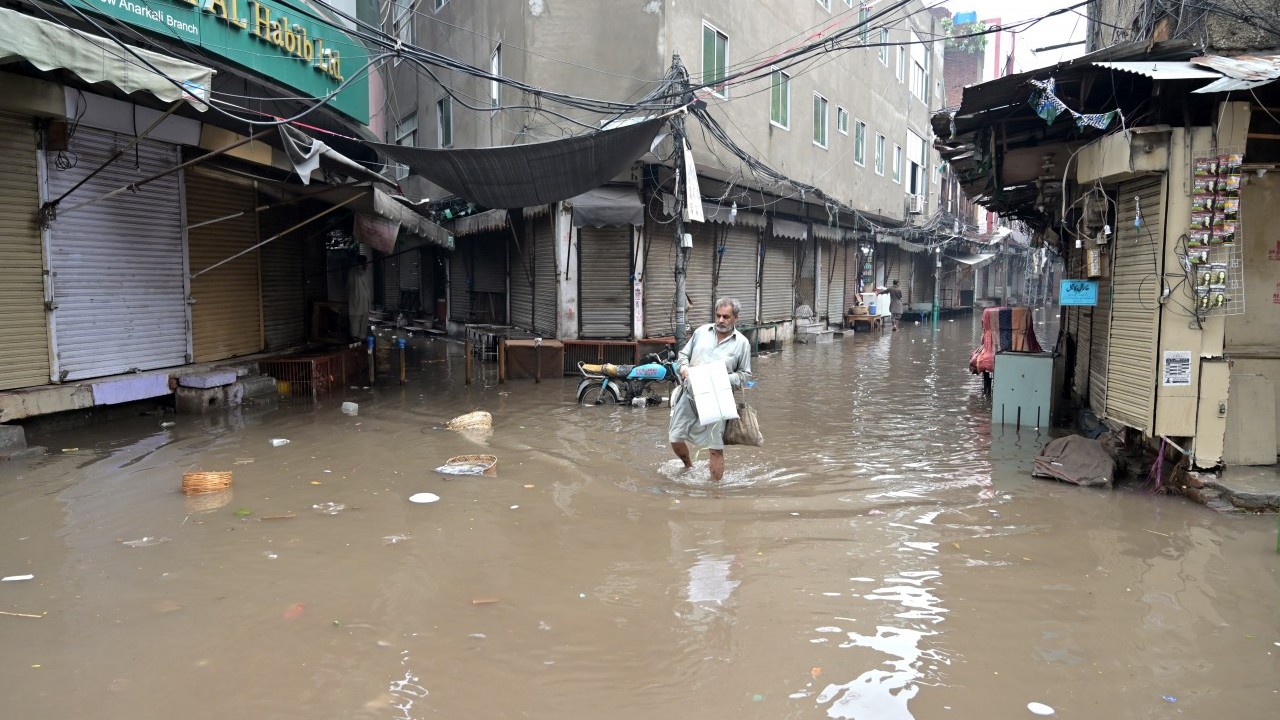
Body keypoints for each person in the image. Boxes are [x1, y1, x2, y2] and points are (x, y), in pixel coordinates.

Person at [668, 297, 753, 481]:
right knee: (675, 437)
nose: (721, 320)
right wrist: (684, 369)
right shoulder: (701, 332)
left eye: (726, 317)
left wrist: (719, 377)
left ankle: (715, 490)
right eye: (718, 315)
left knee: (715, 449)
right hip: (690, 395)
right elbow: (683, 355)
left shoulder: (742, 343)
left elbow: (745, 376)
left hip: (718, 400)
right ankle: (688, 466)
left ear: (736, 318)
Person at [347, 254, 371, 341]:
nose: (367, 265)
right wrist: (361, 266)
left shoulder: (358, 271)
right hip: (357, 301)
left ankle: (359, 337)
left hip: (362, 302)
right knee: (356, 320)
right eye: (366, 263)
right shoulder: (357, 271)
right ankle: (356, 337)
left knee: (361, 321)